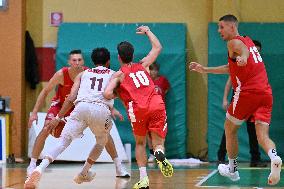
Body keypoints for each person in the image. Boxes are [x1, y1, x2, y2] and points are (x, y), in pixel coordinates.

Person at [189, 14, 282, 185]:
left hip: (247, 92)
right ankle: (274, 157)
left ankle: (232, 169)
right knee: (262, 135)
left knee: (229, 129)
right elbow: (230, 68)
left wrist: (244, 57)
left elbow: (243, 52)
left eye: (221, 27)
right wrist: (205, 69)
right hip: (265, 93)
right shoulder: (249, 41)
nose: (219, 31)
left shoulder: (233, 42)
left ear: (232, 27)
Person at [24, 47, 128, 188]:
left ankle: (39, 168)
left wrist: (58, 118)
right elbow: (118, 93)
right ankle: (84, 172)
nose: (77, 62)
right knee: (101, 140)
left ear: (90, 61)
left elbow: (72, 97)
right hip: (100, 110)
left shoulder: (83, 74)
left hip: (80, 107)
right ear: (109, 61)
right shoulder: (115, 74)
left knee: (62, 142)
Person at [104, 25, 173, 189]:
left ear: (119, 57)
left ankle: (143, 178)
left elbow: (107, 93)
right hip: (156, 104)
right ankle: (158, 152)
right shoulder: (144, 65)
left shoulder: (119, 74)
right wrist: (148, 31)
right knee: (157, 143)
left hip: (137, 109)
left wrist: (118, 93)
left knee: (140, 143)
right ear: (132, 55)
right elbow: (158, 47)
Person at [218, 40, 267, 167]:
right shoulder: (239, 61)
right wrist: (224, 99)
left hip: (252, 98)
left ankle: (255, 159)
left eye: (258, 51)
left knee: (253, 129)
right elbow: (229, 81)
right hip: (239, 97)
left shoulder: (256, 65)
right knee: (230, 129)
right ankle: (221, 156)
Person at [147, 62, 170, 163]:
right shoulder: (146, 82)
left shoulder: (162, 80)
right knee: (148, 133)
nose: (153, 72)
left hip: (160, 111)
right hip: (147, 110)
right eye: (151, 69)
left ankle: (160, 153)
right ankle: (152, 153)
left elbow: (166, 90)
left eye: (155, 70)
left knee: (160, 133)